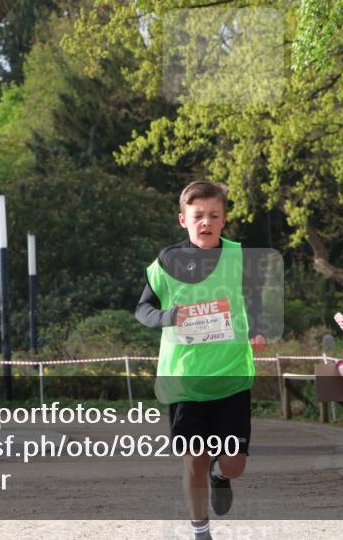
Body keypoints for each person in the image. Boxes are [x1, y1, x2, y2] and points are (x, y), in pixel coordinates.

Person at [135, 181, 268, 540]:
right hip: (185, 379)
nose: (205, 222)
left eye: (213, 216)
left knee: (234, 464)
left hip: (231, 376)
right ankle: (200, 530)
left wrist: (258, 329)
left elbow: (256, 304)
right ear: (183, 219)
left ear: (224, 220)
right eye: (198, 216)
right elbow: (143, 309)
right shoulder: (167, 263)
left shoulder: (241, 259)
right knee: (193, 457)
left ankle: (221, 476)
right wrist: (166, 317)